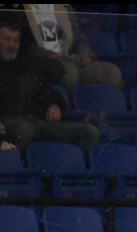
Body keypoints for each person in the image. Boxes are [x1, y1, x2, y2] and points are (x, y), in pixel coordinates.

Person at [0, 20, 99, 149]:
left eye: (16, 40)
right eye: (6, 39)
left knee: (90, 132)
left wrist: (54, 104)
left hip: (39, 124)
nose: (12, 45)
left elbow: (47, 90)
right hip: (9, 125)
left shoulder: (28, 65)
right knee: (25, 130)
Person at [6, 4, 124, 90]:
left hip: (71, 60)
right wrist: (48, 55)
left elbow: (79, 40)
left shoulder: (65, 9)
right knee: (70, 73)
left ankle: (92, 112)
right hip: (44, 63)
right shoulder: (21, 12)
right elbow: (25, 46)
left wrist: (85, 53)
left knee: (112, 73)